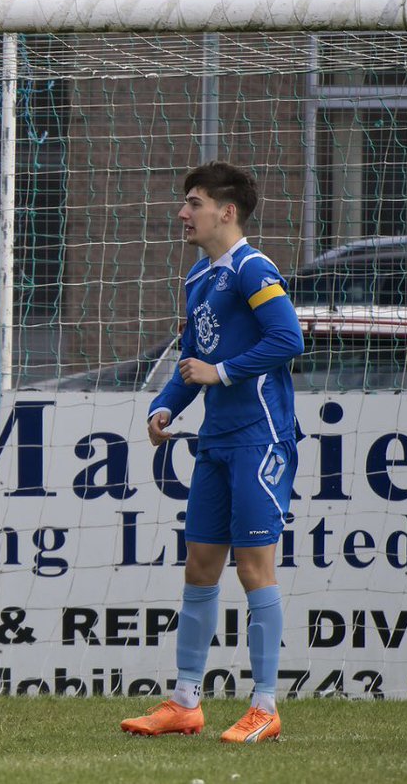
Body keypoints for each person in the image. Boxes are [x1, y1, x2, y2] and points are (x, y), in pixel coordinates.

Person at [121, 161, 303, 743]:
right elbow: (192, 359)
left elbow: (287, 338)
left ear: (226, 211)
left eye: (194, 202)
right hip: (217, 442)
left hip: (260, 436)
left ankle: (266, 706)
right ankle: (185, 703)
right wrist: (167, 405)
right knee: (200, 567)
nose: (183, 212)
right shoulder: (199, 277)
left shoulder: (253, 267)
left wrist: (221, 372)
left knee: (254, 568)